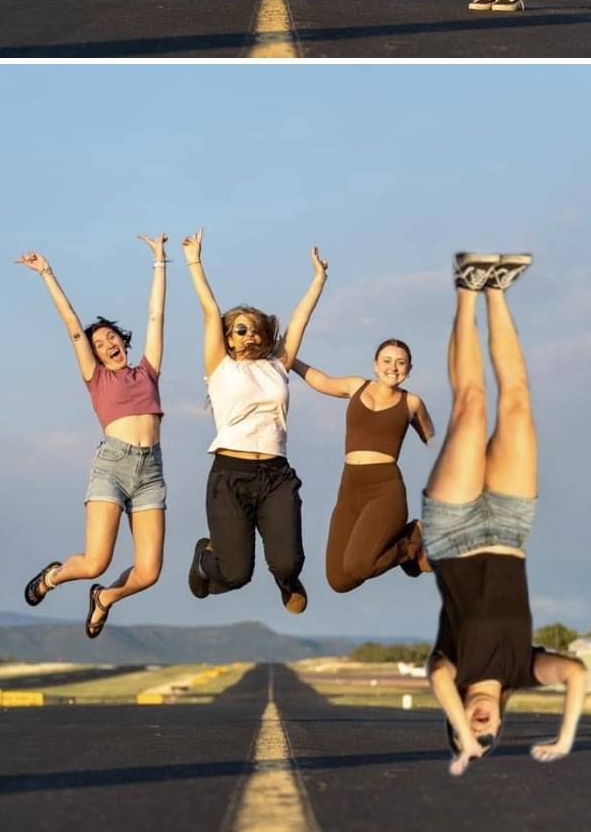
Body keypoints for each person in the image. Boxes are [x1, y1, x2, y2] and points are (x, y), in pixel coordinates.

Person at [423, 252, 587, 776]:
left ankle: (467, 286)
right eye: (488, 736)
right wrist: (564, 740)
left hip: (453, 533)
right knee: (517, 401)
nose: (481, 725)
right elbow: (579, 674)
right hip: (513, 529)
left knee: (470, 405)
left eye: (468, 732)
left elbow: (438, 684)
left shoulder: (452, 667)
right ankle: (497, 289)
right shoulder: (524, 671)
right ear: (501, 724)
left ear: (456, 721)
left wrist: (465, 749)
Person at [17, 235, 168, 637]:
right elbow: (71, 324)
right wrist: (47, 273)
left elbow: (156, 316)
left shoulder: (147, 370)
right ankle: (52, 578)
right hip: (112, 466)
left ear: (122, 340)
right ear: (95, 354)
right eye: (98, 343)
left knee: (149, 571)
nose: (107, 344)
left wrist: (159, 261)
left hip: (151, 471)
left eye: (111, 337)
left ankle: (105, 599)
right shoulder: (96, 377)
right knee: (95, 562)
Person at [181, 229, 327, 612]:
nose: (248, 335)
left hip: (276, 475)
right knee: (235, 574)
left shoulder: (278, 365)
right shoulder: (220, 368)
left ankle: (286, 580)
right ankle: (203, 559)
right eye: (240, 330)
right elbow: (211, 310)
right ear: (228, 339)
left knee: (288, 562)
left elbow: (299, 320)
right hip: (230, 475)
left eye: (254, 329)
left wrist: (318, 281)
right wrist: (194, 261)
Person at [292, 340, 434, 591]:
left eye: (401, 363)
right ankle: (409, 545)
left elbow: (434, 440)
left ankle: (411, 541)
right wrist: (291, 360)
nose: (394, 367)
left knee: (359, 566)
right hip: (349, 490)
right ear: (375, 365)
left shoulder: (412, 403)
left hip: (385, 490)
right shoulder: (356, 386)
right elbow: (322, 381)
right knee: (339, 580)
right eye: (387, 361)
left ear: (409, 369)